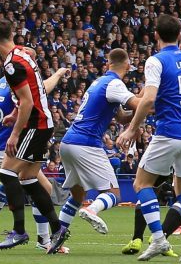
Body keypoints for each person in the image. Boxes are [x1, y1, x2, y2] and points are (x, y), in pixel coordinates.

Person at [115, 14, 181, 262]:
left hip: (169, 132)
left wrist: (131, 128)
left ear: (156, 36)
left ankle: (159, 240)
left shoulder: (155, 60)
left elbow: (149, 98)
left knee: (141, 184)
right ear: (180, 36)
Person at [52, 48, 140, 251]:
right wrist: (151, 100)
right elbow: (138, 105)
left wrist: (141, 103)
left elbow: (121, 117)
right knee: (114, 194)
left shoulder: (98, 82)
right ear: (127, 65)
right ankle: (92, 210)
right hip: (86, 143)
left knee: (76, 195)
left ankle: (56, 239)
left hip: (68, 143)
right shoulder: (115, 84)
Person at [0, 18, 65, 251]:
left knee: (7, 172)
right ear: (12, 34)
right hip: (43, 123)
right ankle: (57, 227)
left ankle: (20, 231)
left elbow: (27, 101)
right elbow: (29, 93)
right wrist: (14, 113)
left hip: (35, 125)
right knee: (29, 179)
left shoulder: (11, 65)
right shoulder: (22, 53)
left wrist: (14, 133)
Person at [0, 64, 69, 251]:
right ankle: (43, 238)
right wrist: (58, 74)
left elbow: (32, 95)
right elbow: (35, 95)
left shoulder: (3, 82)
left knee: (18, 183)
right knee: (36, 184)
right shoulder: (20, 81)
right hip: (7, 144)